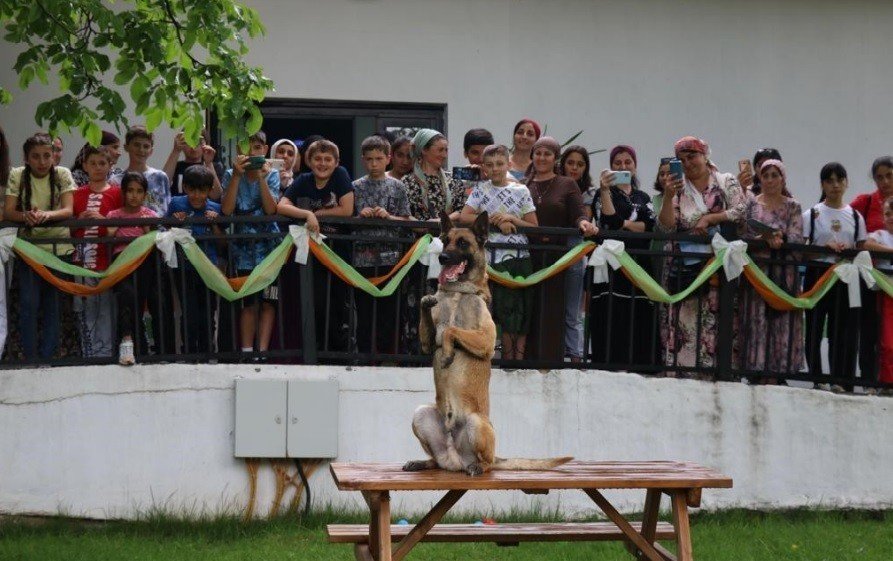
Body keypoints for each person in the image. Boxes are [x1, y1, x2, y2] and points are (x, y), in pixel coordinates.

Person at [656, 136, 745, 375]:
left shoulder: (725, 181)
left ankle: (720, 373)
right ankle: (685, 372)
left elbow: (741, 210)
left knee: (719, 322)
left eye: (692, 156)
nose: (688, 163)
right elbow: (667, 227)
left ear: (705, 155)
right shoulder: (678, 189)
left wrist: (711, 218)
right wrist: (667, 195)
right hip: (686, 272)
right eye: (682, 159)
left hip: (720, 271)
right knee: (687, 323)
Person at [460, 144, 538, 360]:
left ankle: (516, 361)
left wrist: (512, 219)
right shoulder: (481, 190)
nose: (495, 169)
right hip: (491, 259)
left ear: (509, 164)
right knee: (497, 309)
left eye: (500, 164)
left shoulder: (521, 190)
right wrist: (492, 218)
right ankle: (497, 358)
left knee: (519, 309)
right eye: (490, 165)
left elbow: (533, 225)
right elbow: (464, 216)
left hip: (518, 257)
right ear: (483, 167)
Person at [525, 136, 598, 362]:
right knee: (531, 307)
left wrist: (583, 223)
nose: (542, 157)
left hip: (558, 258)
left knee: (556, 308)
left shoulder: (567, 184)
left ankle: (557, 358)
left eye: (547, 154)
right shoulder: (523, 185)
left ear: (555, 158)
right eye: (538, 153)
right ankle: (525, 357)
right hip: (531, 256)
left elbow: (579, 213)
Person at [4, 133, 76, 360]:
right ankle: (31, 357)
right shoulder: (17, 174)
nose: (42, 161)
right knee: (28, 304)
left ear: (54, 156)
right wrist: (26, 216)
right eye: (36, 156)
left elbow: (68, 210)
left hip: (58, 250)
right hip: (29, 250)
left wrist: (44, 215)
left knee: (53, 305)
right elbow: (8, 211)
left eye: (47, 155)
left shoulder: (63, 173)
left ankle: (47, 358)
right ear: (26, 158)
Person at [278, 139, 354, 352]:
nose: (322, 164)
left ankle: (336, 352)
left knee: (337, 304)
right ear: (309, 161)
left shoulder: (340, 176)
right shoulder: (304, 180)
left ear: (336, 162)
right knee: (315, 303)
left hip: (337, 253)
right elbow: (282, 205)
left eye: (328, 159)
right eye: (317, 159)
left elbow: (347, 209)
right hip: (312, 254)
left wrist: (318, 214)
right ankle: (316, 350)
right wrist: (307, 214)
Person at [590, 145, 658, 367]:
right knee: (612, 313)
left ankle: (640, 364)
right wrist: (604, 190)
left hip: (639, 264)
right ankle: (610, 363)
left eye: (627, 162)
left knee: (640, 313)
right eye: (617, 163)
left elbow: (648, 226)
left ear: (635, 166)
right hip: (613, 264)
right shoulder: (602, 195)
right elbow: (609, 221)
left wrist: (624, 223)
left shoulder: (642, 196)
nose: (623, 166)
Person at [802, 163, 865, 391]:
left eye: (839, 180)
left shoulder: (856, 217)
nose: (835, 185)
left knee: (842, 329)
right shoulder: (812, 214)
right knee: (815, 327)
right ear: (822, 184)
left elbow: (862, 249)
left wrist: (848, 252)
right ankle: (817, 378)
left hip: (845, 277)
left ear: (847, 183)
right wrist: (824, 247)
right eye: (829, 180)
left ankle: (840, 379)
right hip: (818, 274)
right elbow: (802, 249)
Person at [738, 160, 803, 382]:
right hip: (758, 274)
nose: (770, 180)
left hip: (783, 274)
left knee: (782, 322)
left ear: (782, 178)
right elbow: (743, 236)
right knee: (756, 321)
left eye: (775, 175)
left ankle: (779, 372)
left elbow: (796, 238)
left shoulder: (793, 206)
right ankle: (757, 371)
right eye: (765, 176)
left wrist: (780, 239)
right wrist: (762, 239)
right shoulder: (751, 205)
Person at [221, 130, 281, 355]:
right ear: (239, 151)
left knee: (268, 301)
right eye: (247, 148)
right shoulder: (230, 174)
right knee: (248, 302)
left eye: (257, 148)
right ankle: (246, 351)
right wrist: (236, 176)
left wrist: (263, 178)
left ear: (264, 151)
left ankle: (262, 352)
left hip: (270, 249)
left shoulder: (271, 174)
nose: (252, 153)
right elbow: (226, 211)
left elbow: (270, 209)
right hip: (242, 249)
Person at [352, 135, 411, 356]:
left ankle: (389, 355)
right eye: (369, 159)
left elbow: (408, 220)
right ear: (363, 160)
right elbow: (347, 220)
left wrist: (389, 216)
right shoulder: (355, 186)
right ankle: (366, 355)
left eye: (378, 158)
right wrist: (361, 216)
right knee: (365, 311)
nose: (374, 164)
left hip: (392, 259)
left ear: (388, 158)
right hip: (362, 258)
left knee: (390, 311)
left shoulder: (398, 187)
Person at [71, 145, 123, 358]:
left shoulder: (117, 194)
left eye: (102, 163)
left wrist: (106, 221)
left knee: (106, 310)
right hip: (82, 262)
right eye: (93, 163)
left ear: (110, 165)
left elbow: (124, 223)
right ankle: (89, 353)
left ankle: (107, 353)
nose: (98, 168)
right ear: (85, 166)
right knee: (86, 309)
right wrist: (78, 221)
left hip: (108, 261)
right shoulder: (76, 195)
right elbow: (67, 228)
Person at [168, 165, 224, 355]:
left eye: (202, 191)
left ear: (209, 191)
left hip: (209, 269)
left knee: (208, 311)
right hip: (184, 268)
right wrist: (175, 223)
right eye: (192, 190)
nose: (197, 195)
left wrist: (215, 224)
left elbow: (222, 243)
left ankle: (208, 351)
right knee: (189, 311)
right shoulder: (175, 204)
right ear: (185, 188)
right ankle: (189, 352)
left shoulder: (216, 208)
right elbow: (164, 234)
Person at [106, 172, 159, 365]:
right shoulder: (114, 214)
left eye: (139, 191)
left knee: (138, 302)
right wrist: (114, 228)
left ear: (145, 194)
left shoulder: (149, 214)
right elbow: (109, 238)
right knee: (126, 296)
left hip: (143, 261)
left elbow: (152, 240)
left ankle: (140, 348)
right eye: (130, 191)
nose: (134, 196)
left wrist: (146, 227)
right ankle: (126, 344)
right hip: (122, 261)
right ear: (123, 193)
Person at [852, 156, 893, 385]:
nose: (885, 181)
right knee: (870, 331)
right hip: (871, 279)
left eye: (889, 175)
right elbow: (845, 222)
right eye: (880, 177)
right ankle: (870, 381)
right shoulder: (865, 202)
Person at [558, 145, 595, 362]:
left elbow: (583, 219)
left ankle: (574, 354)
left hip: (574, 251)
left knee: (572, 308)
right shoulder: (551, 185)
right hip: (551, 250)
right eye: (570, 162)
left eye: (580, 164)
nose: (574, 168)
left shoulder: (588, 193)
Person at [401, 129, 466, 221]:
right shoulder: (407, 181)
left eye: (446, 150)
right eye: (440, 150)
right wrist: (422, 226)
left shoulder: (453, 180)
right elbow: (403, 213)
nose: (444, 155)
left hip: (447, 234)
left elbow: (461, 210)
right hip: (417, 235)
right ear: (424, 150)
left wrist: (440, 221)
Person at [863, 197, 893, 391]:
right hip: (887, 294)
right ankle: (887, 382)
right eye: (888, 213)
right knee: (888, 343)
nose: (891, 217)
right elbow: (867, 245)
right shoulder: (880, 235)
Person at [112, 126, 171, 216]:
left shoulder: (160, 177)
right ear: (126, 147)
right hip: (127, 228)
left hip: (157, 228)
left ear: (151, 151)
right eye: (136, 145)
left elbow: (166, 209)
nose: (141, 150)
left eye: (146, 146)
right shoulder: (115, 181)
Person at [163, 129, 223, 198]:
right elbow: (162, 184)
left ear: (206, 144)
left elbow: (216, 195)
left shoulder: (214, 167)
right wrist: (176, 150)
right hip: (178, 208)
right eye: (189, 142)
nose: (193, 147)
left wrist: (209, 164)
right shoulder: (176, 166)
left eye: (198, 142)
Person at [460, 128, 495, 193]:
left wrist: (487, 178)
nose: (481, 159)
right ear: (465, 154)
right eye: (475, 153)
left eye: (485, 153)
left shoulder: (503, 175)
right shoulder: (460, 176)